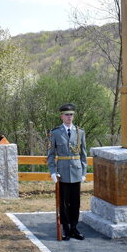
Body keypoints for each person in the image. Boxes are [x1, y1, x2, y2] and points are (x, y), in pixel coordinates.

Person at [47, 103, 88, 241]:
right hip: (62, 173)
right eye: (66, 115)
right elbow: (51, 154)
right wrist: (53, 172)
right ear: (61, 116)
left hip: (76, 172)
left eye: (71, 115)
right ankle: (65, 228)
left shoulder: (80, 132)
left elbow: (83, 154)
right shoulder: (55, 133)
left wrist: (83, 172)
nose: (69, 117)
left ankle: (74, 228)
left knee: (75, 202)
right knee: (63, 203)